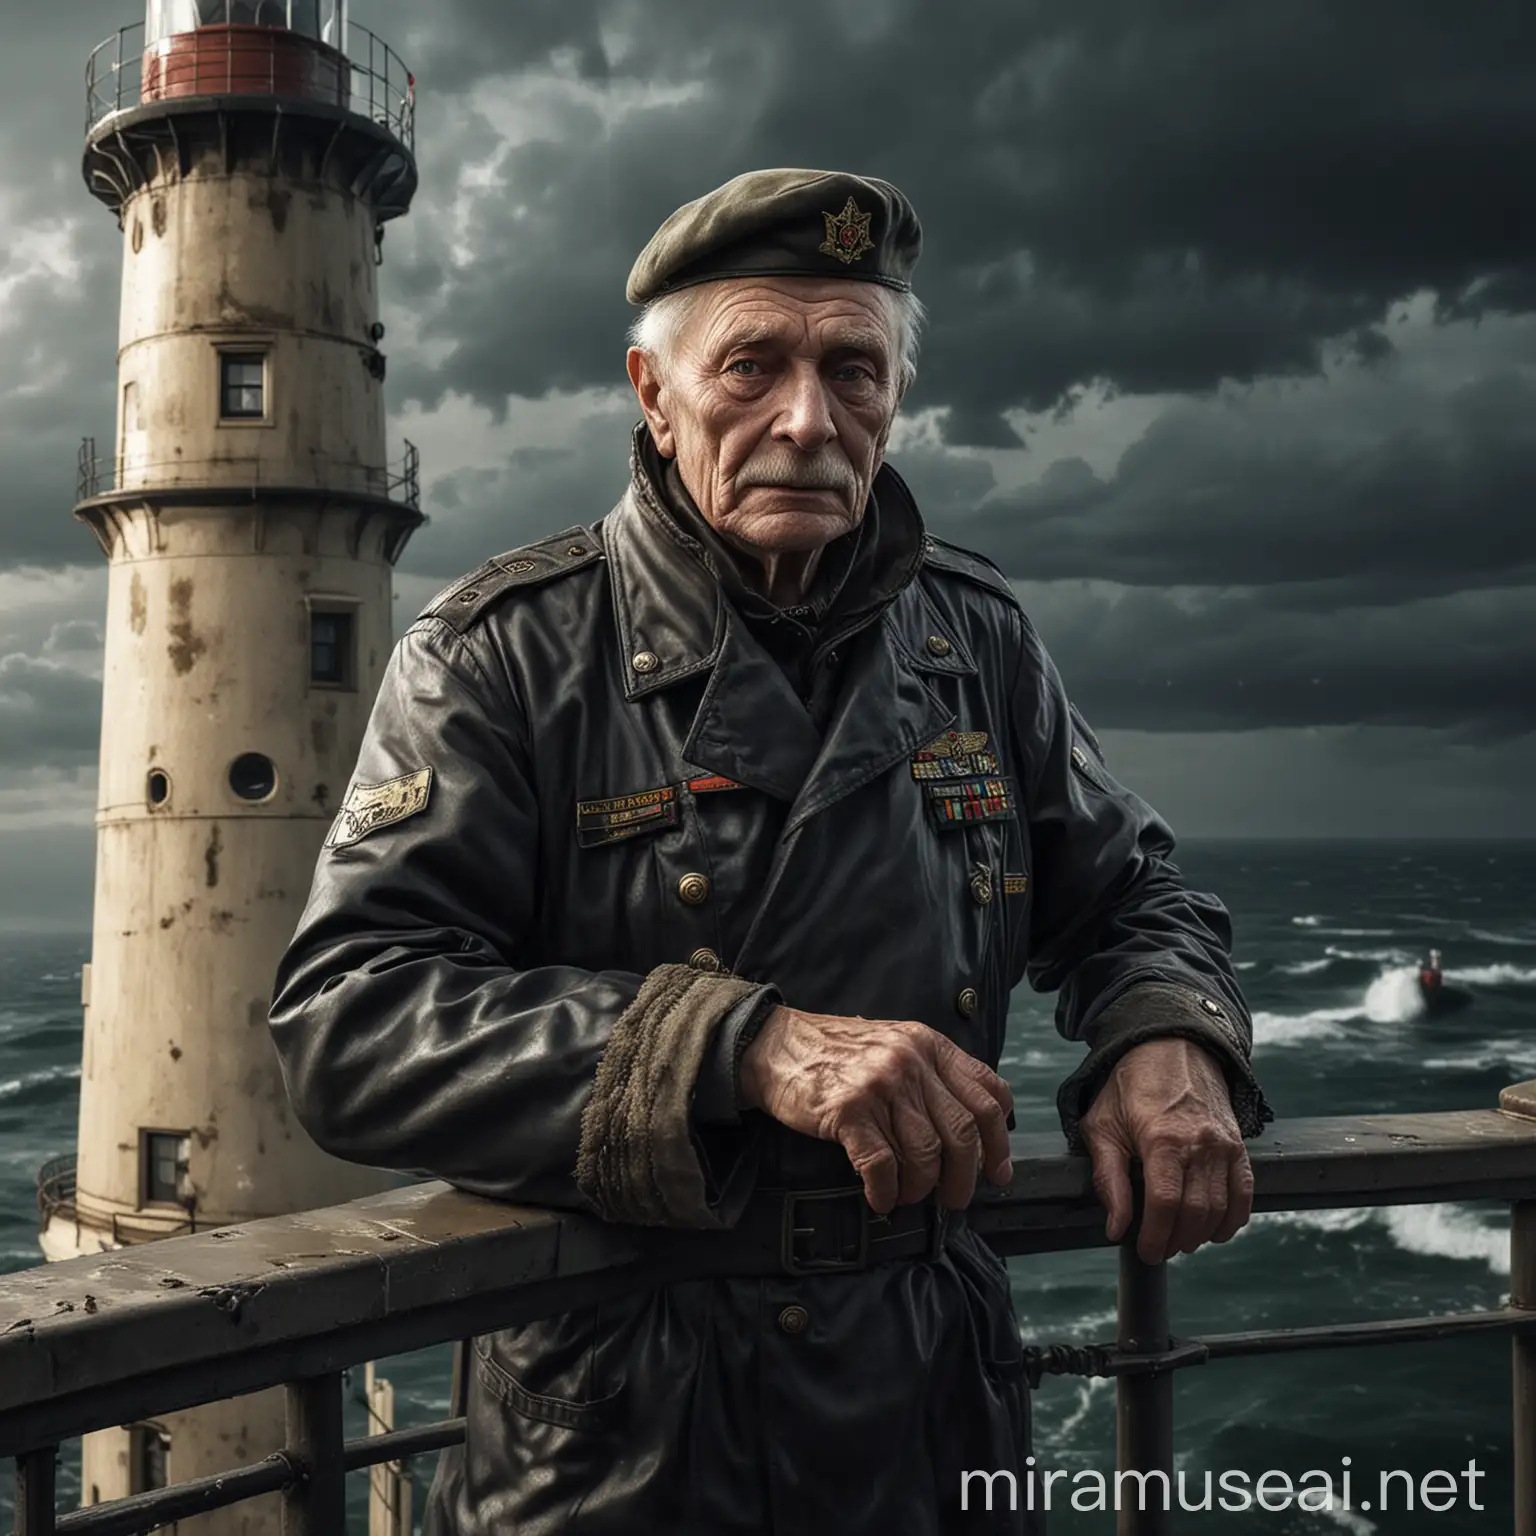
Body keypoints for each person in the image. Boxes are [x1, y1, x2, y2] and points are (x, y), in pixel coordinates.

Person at [268, 167, 1272, 1535]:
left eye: (853, 369)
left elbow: (1134, 895)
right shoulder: (502, 654)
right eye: (752, 363)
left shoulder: (972, 639)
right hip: (622, 1442)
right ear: (653, 392)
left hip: (931, 1416)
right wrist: (741, 1045)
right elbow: (351, 1021)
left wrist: (1171, 1041)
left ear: (894, 399)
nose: (807, 418)